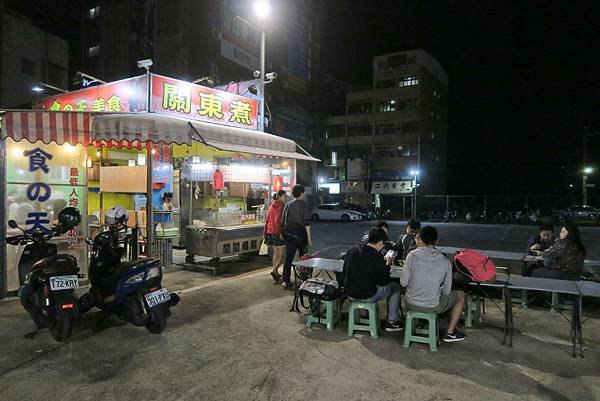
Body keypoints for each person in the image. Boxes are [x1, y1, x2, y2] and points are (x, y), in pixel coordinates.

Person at [400, 226, 466, 342]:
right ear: (436, 241)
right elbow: (446, 291)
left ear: (420, 239)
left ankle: (418, 324)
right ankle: (449, 333)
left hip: (410, 303)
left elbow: (403, 282)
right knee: (460, 295)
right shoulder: (445, 261)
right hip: (433, 306)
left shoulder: (411, 256)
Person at [344, 227, 403, 331]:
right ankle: (392, 321)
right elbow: (383, 281)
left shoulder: (352, 250)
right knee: (395, 287)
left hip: (350, 294)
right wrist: (387, 264)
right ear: (380, 242)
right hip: (367, 295)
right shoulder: (376, 256)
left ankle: (367, 315)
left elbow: (344, 272)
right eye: (384, 243)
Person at [281, 184, 313, 289]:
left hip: (289, 233)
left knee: (288, 257)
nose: (305, 194)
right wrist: (309, 238)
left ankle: (285, 280)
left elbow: (283, 221)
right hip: (300, 233)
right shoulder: (304, 205)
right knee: (304, 258)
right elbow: (307, 223)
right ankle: (304, 279)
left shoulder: (288, 204)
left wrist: (282, 234)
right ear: (302, 193)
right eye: (304, 192)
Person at [263, 190, 288, 282]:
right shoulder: (281, 205)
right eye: (285, 196)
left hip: (270, 232)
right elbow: (278, 221)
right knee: (281, 255)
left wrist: (265, 231)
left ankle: (276, 272)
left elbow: (267, 219)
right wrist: (280, 233)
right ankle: (274, 271)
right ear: (280, 196)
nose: (286, 198)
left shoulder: (271, 205)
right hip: (278, 233)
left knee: (276, 254)